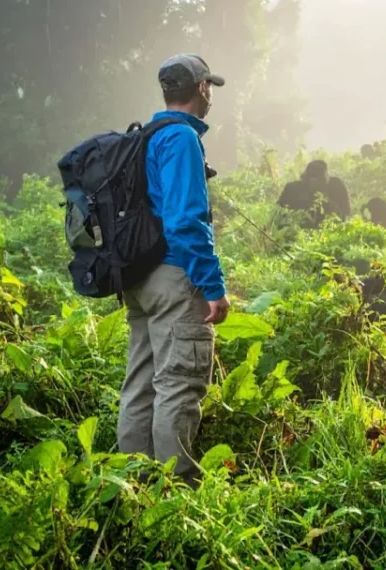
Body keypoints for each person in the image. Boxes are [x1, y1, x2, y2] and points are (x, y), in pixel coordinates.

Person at [116, 53, 231, 487]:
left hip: (139, 278)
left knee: (141, 384)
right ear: (202, 89)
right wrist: (212, 285)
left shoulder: (147, 135)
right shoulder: (181, 138)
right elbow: (184, 220)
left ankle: (132, 487)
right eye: (210, 88)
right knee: (179, 385)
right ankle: (175, 498)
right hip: (172, 277)